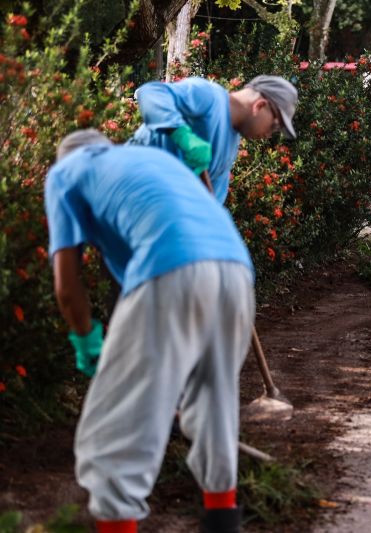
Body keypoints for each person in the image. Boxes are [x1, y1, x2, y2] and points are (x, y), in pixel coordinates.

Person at [46, 130, 255, 533]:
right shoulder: (150, 163)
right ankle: (222, 519)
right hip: (235, 268)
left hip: (170, 267)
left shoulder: (65, 173)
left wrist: (87, 340)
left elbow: (67, 284)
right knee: (214, 400)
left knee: (113, 432)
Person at [131, 75, 297, 204]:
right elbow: (150, 93)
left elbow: (210, 204)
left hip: (148, 206)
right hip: (129, 179)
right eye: (274, 126)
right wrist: (182, 134)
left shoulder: (231, 148)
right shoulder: (209, 96)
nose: (269, 135)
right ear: (259, 106)